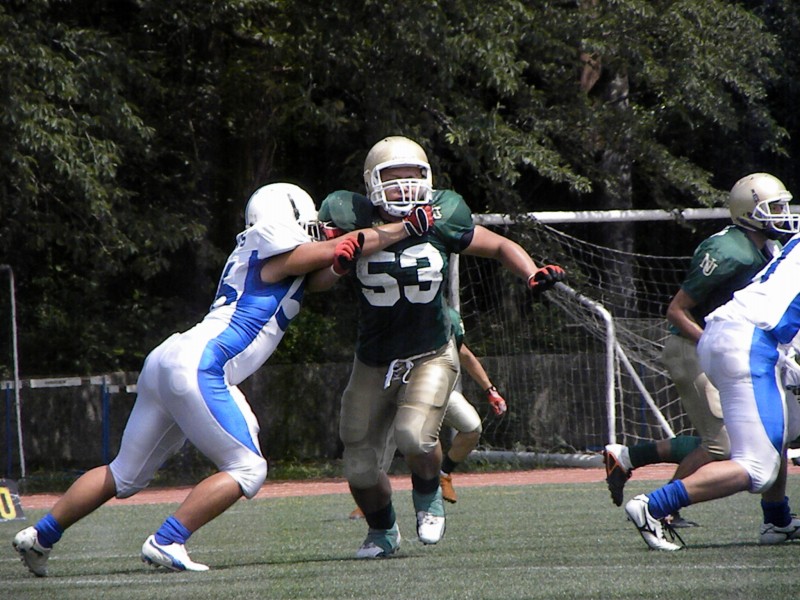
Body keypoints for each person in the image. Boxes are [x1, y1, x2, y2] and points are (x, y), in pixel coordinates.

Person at [11, 182, 428, 576]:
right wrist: (404, 227)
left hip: (171, 359)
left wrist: (339, 262)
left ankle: (40, 536)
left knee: (124, 473)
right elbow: (328, 250)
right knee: (248, 468)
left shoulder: (263, 253)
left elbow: (319, 271)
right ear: (291, 217)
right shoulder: (271, 244)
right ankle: (168, 540)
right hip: (200, 363)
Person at [313, 135, 564, 558]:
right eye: (393, 179)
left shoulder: (441, 216)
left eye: (412, 176)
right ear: (371, 183)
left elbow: (499, 244)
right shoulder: (349, 216)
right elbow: (315, 284)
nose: (404, 188)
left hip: (430, 351)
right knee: (358, 465)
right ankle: (382, 532)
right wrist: (337, 266)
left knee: (413, 436)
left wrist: (530, 272)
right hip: (373, 360)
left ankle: (429, 496)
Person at [623, 173, 800, 551]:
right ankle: (653, 506)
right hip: (748, 341)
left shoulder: (776, 248)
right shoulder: (732, 247)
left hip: (742, 336)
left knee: (783, 429)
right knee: (755, 466)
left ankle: (778, 520)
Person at [349, 306, 507, 517]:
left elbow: (465, 355)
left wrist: (490, 390)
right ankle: (371, 501)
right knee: (388, 443)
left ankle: (443, 474)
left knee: (472, 427)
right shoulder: (401, 324)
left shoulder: (448, 323)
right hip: (401, 391)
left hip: (435, 390)